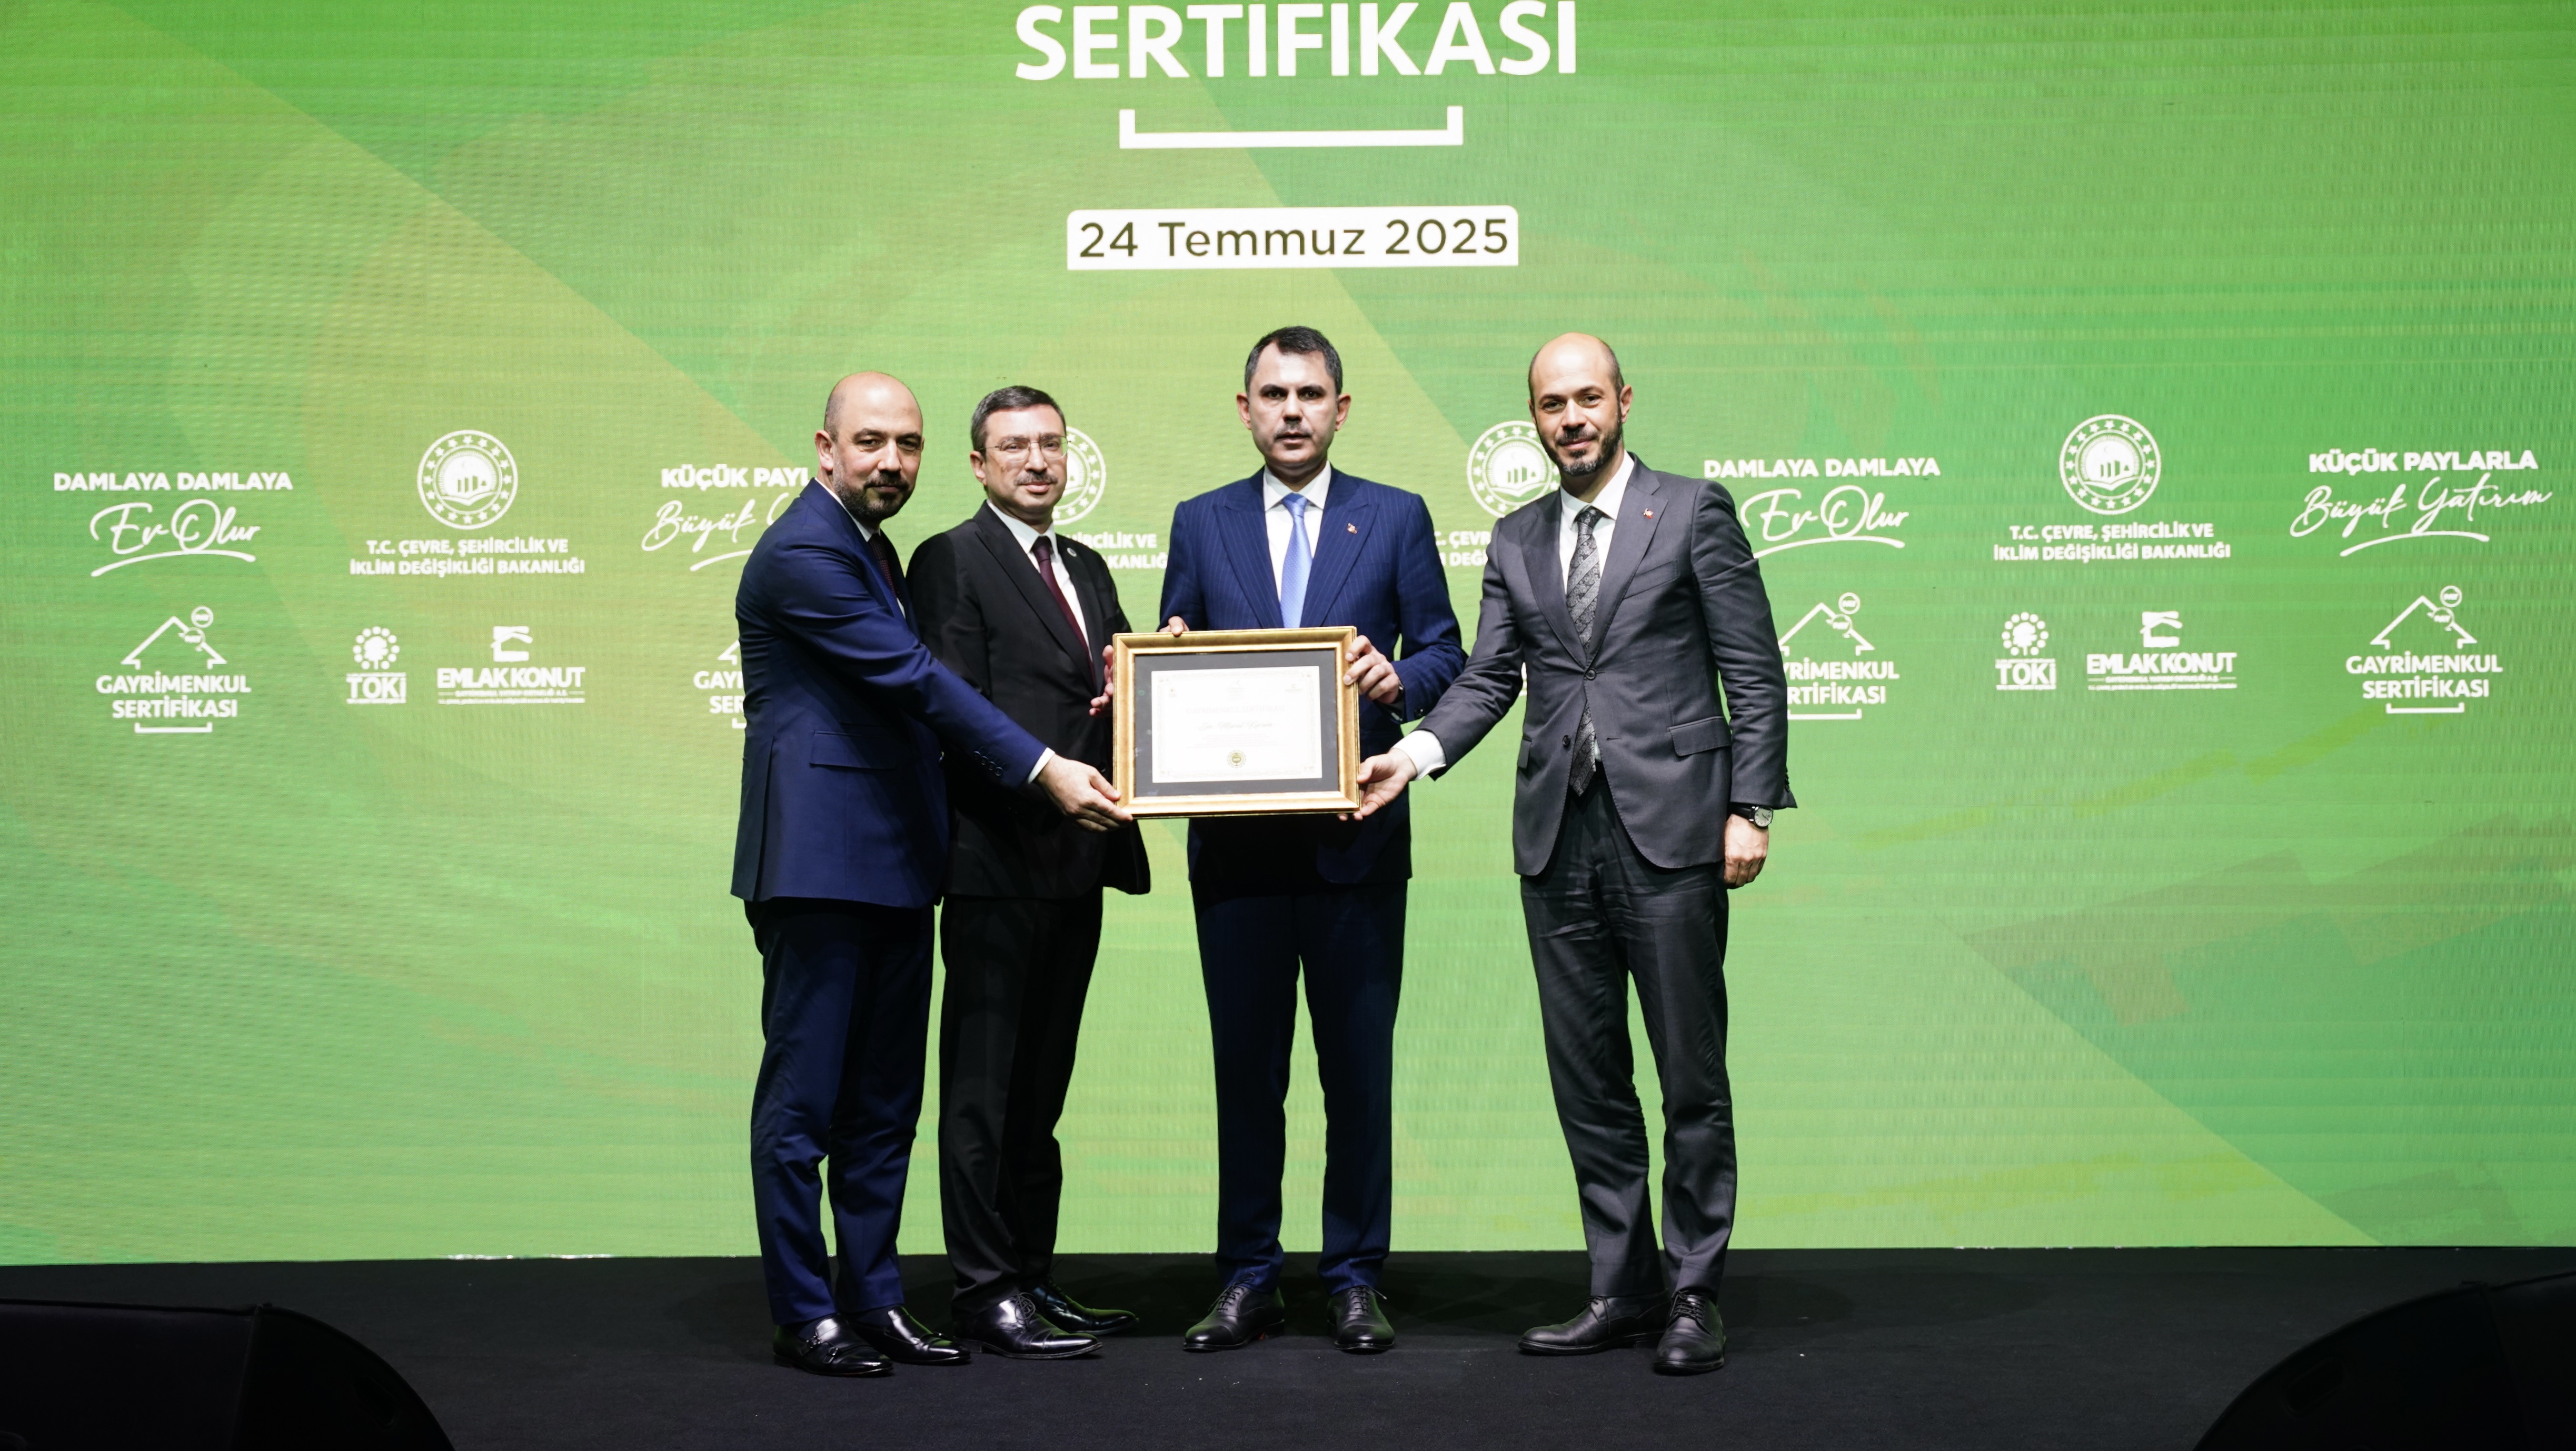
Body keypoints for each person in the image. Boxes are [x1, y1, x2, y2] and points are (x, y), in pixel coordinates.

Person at [1349, 334, 1793, 1377]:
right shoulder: (1514, 537)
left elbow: (1753, 668)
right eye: (1552, 404)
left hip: (1673, 828)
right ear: (1535, 419)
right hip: (1557, 839)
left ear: (1622, 400)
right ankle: (1620, 1287)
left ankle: (1693, 1290)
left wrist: (1750, 807)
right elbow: (1488, 678)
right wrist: (1409, 755)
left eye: (1587, 397)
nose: (1571, 418)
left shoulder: (1693, 510)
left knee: (1688, 1073)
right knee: (1587, 1078)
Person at [733, 372, 1128, 1377]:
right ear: (825, 448)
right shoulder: (805, 551)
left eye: (905, 444)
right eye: (870, 442)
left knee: (882, 1109)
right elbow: (919, 680)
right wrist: (1043, 767)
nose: (890, 461)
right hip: (817, 864)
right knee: (802, 1108)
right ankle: (805, 1311)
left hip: (902, 861)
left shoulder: (875, 550)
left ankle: (873, 1297)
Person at [1157, 326, 1465, 1355]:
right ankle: (1248, 1275)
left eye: (1310, 393)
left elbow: (1446, 651)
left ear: (1341, 407)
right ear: (1244, 408)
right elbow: (1172, 650)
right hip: (1235, 854)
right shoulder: (1199, 521)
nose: (1292, 410)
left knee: (1356, 1075)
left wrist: (1398, 680)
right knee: (1246, 1076)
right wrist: (1170, 657)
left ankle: (1353, 1276)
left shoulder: (1396, 515)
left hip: (1356, 844)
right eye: (1273, 393)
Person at [908, 386, 1150, 1359]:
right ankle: (982, 1290)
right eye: (1014, 446)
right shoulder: (949, 559)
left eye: (1051, 443)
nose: (1038, 460)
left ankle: (1032, 1276)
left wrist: (1156, 672)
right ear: (978, 464)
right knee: (981, 1093)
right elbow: (952, 706)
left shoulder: (1085, 565)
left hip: (1076, 863)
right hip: (993, 862)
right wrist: (1045, 776)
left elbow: (1116, 691)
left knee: (1040, 1092)